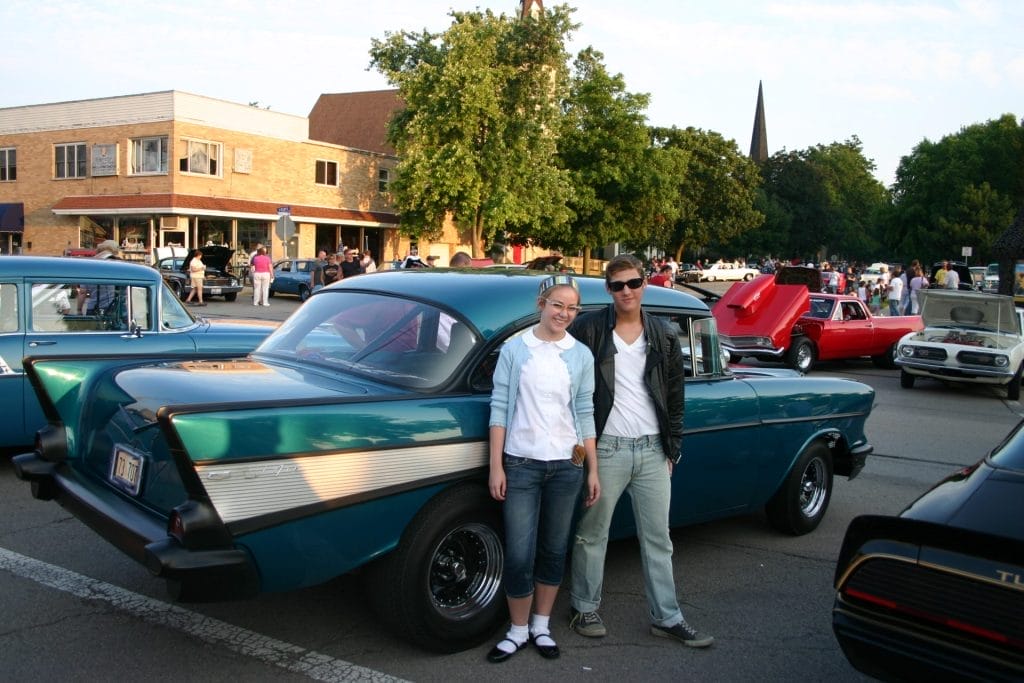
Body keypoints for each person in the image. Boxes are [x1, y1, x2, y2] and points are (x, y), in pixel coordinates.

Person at [568, 253, 713, 649]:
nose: (626, 291)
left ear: (644, 284)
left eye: (632, 283)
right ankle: (584, 606)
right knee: (592, 534)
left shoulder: (663, 333)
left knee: (658, 538)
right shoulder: (589, 329)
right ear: (608, 290)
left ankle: (667, 617)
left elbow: (675, 395)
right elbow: (567, 382)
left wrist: (673, 448)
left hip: (653, 450)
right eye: (617, 286)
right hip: (608, 448)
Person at [487, 274, 600, 664]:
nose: (564, 314)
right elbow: (499, 408)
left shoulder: (580, 355)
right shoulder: (515, 350)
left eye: (572, 308)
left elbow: (585, 413)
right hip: (521, 463)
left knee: (554, 550)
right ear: (541, 304)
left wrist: (592, 470)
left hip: (567, 466)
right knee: (519, 552)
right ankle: (517, 631)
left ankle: (541, 626)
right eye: (558, 305)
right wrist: (496, 466)